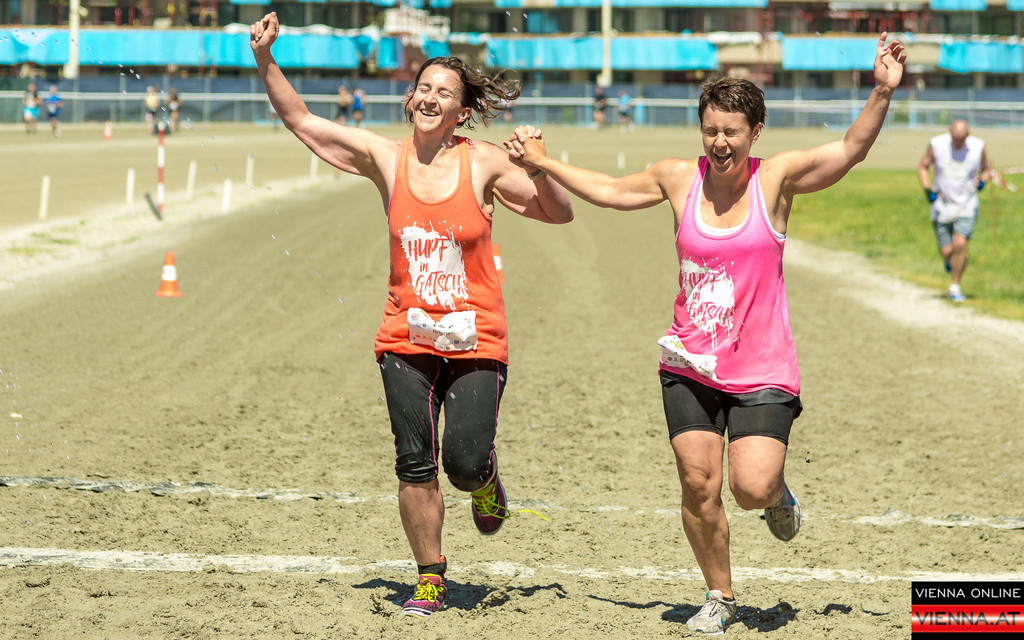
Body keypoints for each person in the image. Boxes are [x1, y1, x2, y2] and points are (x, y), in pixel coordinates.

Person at [507, 32, 905, 635]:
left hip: (762, 366)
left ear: (755, 132)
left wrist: (881, 91)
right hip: (689, 361)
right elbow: (610, 192)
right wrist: (543, 163)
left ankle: (778, 495)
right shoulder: (677, 178)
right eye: (711, 130)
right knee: (698, 482)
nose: (720, 142)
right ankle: (720, 594)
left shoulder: (776, 180)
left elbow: (849, 149)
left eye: (732, 132)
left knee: (751, 486)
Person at [249, 11, 573, 618]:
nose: (429, 98)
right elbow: (303, 121)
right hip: (405, 335)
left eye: (443, 93)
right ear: (409, 98)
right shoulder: (385, 157)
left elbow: (558, 213)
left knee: (464, 462)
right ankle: (430, 576)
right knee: (414, 461)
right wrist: (266, 59)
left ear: (462, 112)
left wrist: (537, 168)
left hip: (476, 337)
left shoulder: (483, 163)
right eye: (423, 88)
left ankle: (485, 481)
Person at [917, 119, 990, 302]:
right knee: (947, 251)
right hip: (942, 205)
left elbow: (987, 169)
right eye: (955, 139)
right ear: (950, 134)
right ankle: (952, 260)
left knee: (960, 243)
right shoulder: (937, 144)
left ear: (968, 135)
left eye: (961, 140)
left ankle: (955, 286)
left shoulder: (978, 146)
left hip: (967, 204)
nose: (958, 143)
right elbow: (923, 167)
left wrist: (982, 181)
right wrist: (928, 191)